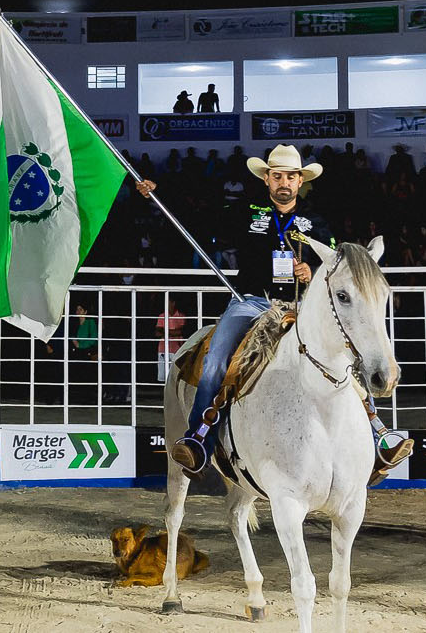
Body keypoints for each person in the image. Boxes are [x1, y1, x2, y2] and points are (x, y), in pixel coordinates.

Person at [135, 144, 411, 480]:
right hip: (252, 302)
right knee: (217, 359)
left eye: (291, 177)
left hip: (301, 307)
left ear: (300, 182)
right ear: (267, 179)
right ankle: (198, 440)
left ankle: (378, 436)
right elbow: (201, 218)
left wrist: (310, 270)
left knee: (342, 361)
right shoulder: (246, 213)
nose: (284, 182)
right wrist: (161, 194)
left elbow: (334, 265)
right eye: (277, 176)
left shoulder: (317, 222)